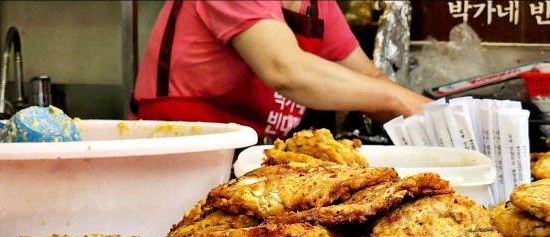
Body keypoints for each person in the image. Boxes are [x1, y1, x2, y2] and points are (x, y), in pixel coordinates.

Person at [132, 0, 431, 141]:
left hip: (250, 162)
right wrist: (393, 101)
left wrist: (447, 121)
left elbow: (371, 79)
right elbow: (284, 68)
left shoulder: (317, 5)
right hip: (177, 155)